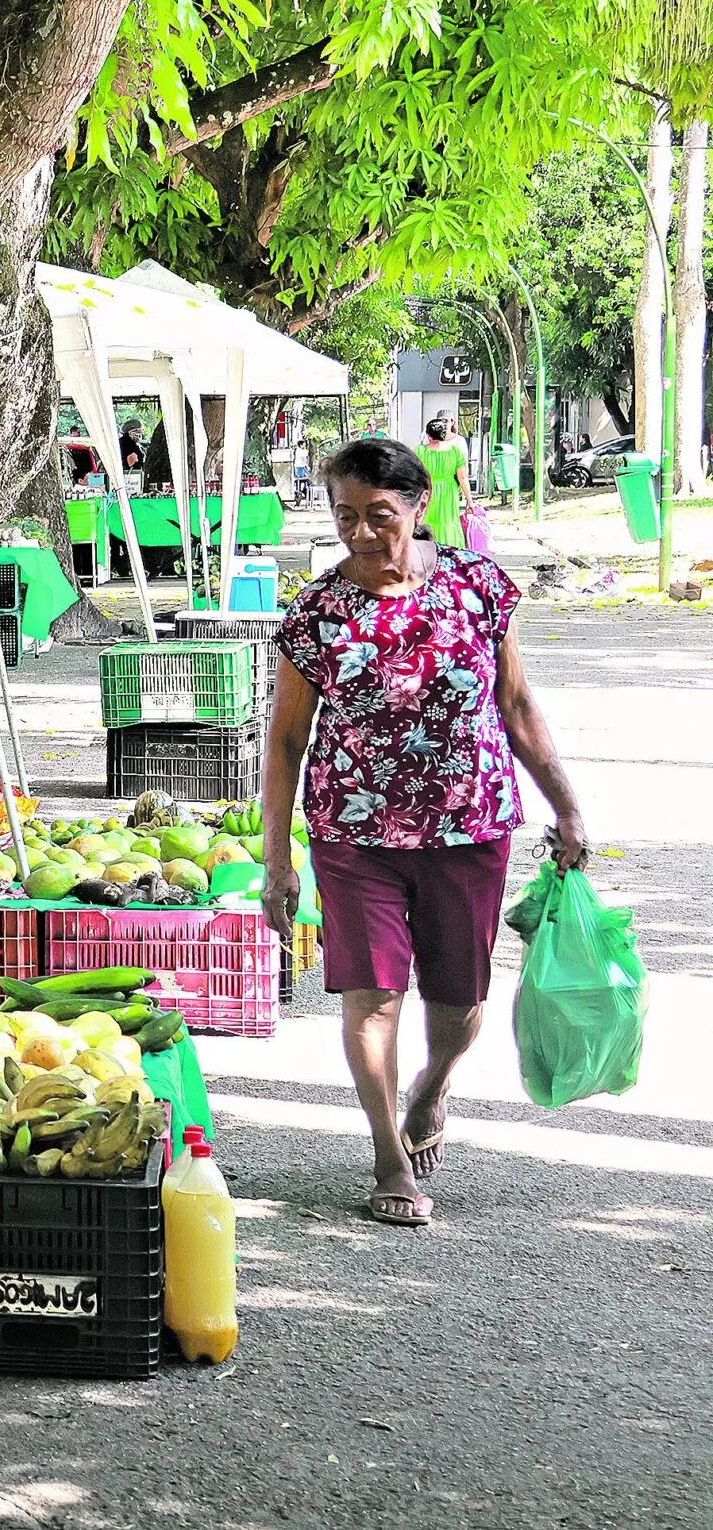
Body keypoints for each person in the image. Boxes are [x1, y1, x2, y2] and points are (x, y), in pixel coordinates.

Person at [261, 436, 585, 1229]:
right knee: (371, 999)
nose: (363, 535)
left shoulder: (477, 587)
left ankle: (434, 1083)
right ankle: (386, 1154)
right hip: (353, 833)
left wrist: (567, 806)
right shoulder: (316, 613)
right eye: (345, 517)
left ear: (419, 507)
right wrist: (278, 859)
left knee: (458, 1001)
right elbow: (285, 739)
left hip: (468, 828)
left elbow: (514, 705)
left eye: (380, 515)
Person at [418, 415, 471, 547]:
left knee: (427, 519)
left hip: (428, 490)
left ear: (429, 435)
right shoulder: (455, 452)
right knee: (449, 520)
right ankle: (450, 547)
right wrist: (469, 500)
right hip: (449, 491)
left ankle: (428, 547)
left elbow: (415, 476)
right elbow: (462, 477)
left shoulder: (420, 451)